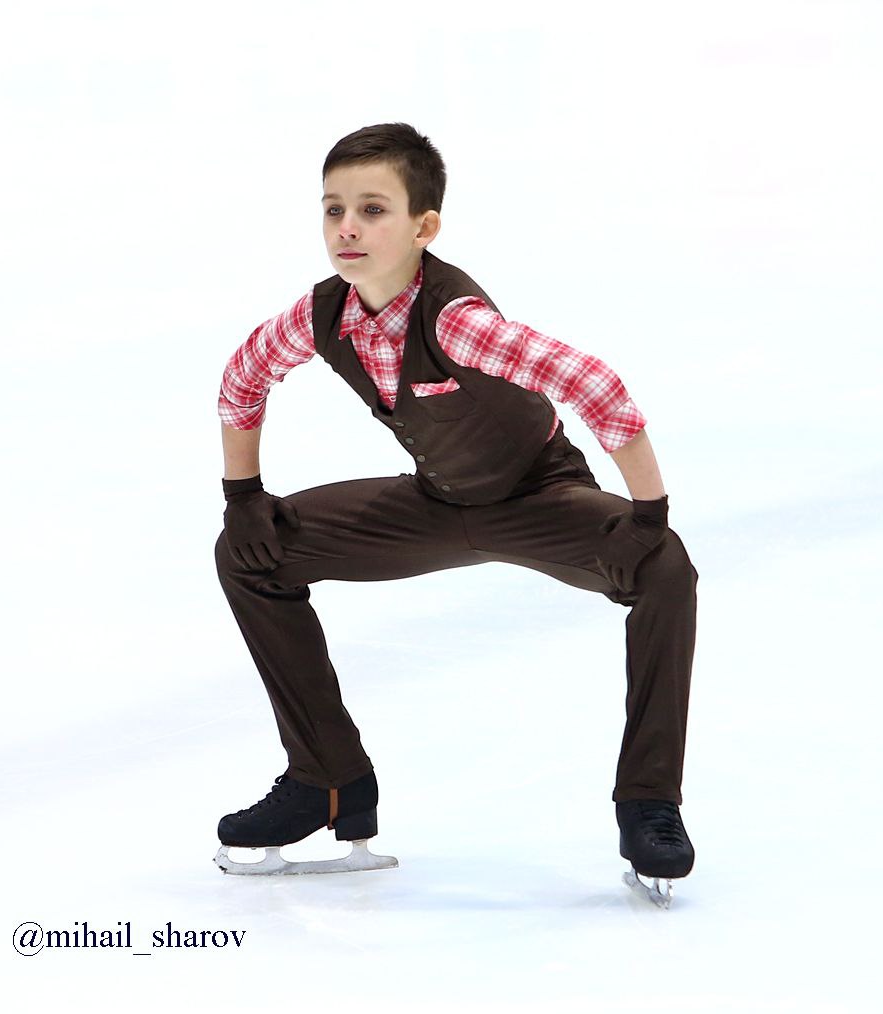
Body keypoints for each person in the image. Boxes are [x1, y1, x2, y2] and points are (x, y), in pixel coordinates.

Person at [213, 122, 698, 894]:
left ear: (423, 227)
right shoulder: (323, 315)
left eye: (372, 209)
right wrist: (243, 496)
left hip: (539, 497)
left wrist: (647, 514)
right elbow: (243, 376)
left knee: (665, 569)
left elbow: (595, 386)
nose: (347, 228)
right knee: (250, 552)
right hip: (435, 502)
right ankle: (326, 779)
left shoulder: (455, 320)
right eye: (333, 209)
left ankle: (648, 802)